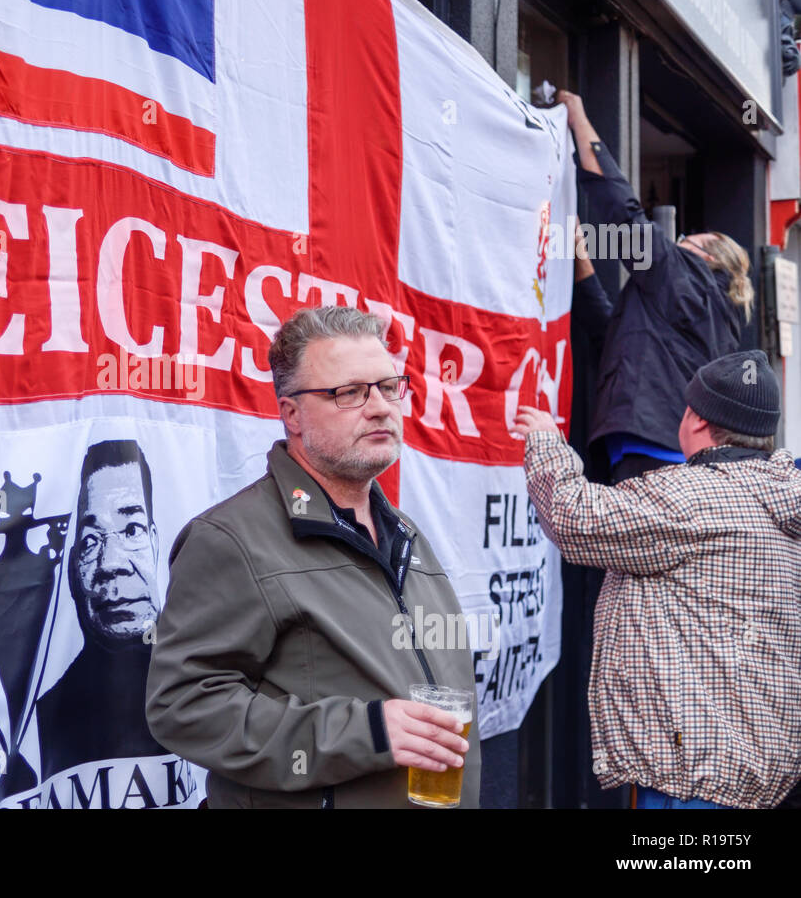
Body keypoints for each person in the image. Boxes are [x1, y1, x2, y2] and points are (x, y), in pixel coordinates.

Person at [145, 306, 478, 808]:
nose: (380, 407)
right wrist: (363, 731)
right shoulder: (231, 539)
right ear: (291, 413)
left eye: (389, 387)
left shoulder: (405, 534)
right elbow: (182, 705)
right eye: (349, 392)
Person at [513, 350, 801, 808]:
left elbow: (573, 517)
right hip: (760, 771)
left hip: (696, 782)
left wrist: (546, 440)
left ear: (696, 420)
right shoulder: (783, 494)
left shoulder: (692, 497)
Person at [559, 90, 753, 483]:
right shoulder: (720, 315)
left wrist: (579, 120)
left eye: (686, 238)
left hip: (648, 444)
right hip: (667, 446)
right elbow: (608, 329)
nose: (677, 242)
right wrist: (580, 253)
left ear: (709, 257)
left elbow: (624, 217)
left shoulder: (684, 273)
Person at [35, 439, 172, 780]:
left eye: (131, 530)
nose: (111, 563)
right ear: (71, 567)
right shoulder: (42, 719)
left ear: (156, 543)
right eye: (91, 541)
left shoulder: (212, 686)